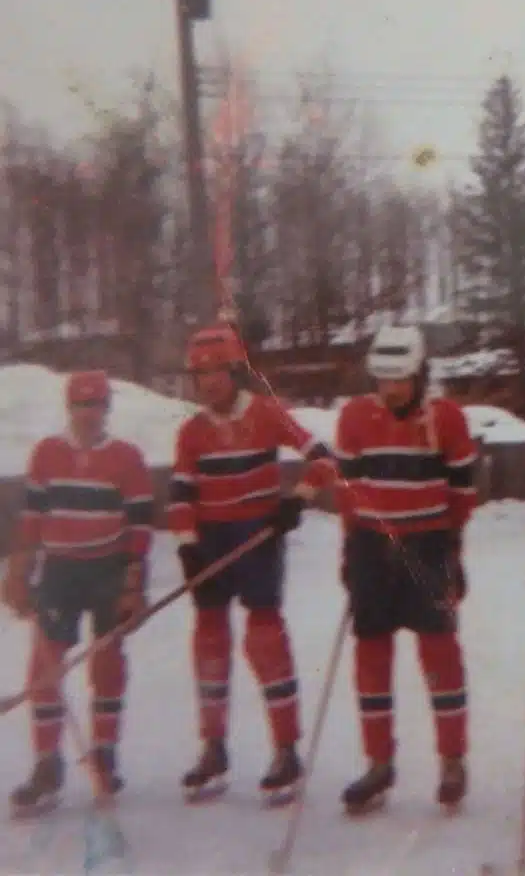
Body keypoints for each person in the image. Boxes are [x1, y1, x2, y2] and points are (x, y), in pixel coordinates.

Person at [165, 323, 335, 807]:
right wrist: (187, 546)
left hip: (257, 538)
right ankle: (213, 747)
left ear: (235, 372)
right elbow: (181, 494)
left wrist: (296, 499)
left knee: (264, 637)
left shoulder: (265, 413)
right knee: (210, 639)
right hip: (212, 540)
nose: (208, 384)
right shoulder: (192, 432)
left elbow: (324, 459)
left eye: (216, 373)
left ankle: (286, 749)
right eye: (199, 376)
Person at [334, 324, 478, 815]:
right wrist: (349, 551)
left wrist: (452, 551)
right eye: (383, 380)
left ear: (420, 376)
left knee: (440, 653)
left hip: (427, 544)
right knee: (371, 655)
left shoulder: (447, 419)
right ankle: (379, 762)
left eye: (400, 380)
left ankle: (452, 760)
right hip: (372, 546)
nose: (391, 389)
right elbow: (348, 492)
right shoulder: (354, 417)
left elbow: (462, 494)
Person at [1, 370, 155, 818]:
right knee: (45, 664)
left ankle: (104, 754)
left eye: (97, 405)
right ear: (70, 408)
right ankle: (47, 764)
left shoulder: (127, 457)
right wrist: (19, 571)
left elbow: (140, 527)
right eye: (82, 406)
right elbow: (32, 518)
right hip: (61, 570)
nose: (90, 414)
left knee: (107, 662)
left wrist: (133, 585)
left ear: (107, 409)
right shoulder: (47, 453)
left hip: (107, 569)